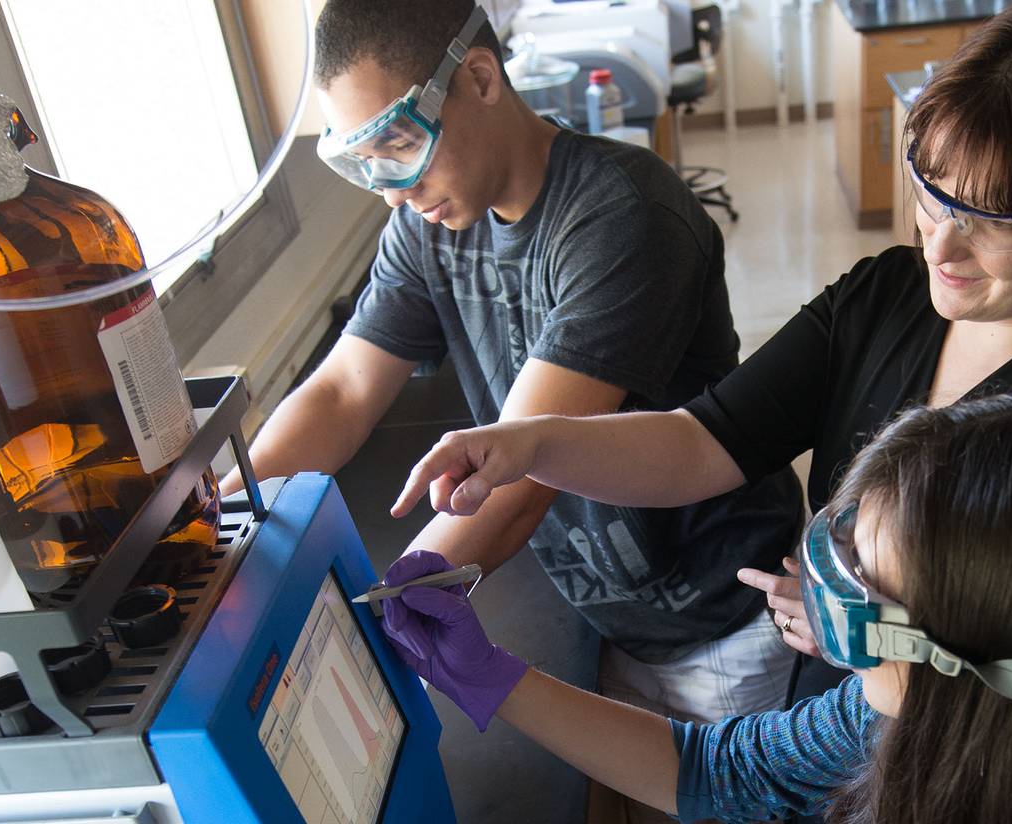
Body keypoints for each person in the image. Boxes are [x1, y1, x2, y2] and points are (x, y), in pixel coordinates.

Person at [390, 0, 1012, 687]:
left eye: (993, 222)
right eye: (932, 195)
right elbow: (702, 442)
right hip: (840, 714)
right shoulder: (889, 295)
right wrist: (532, 443)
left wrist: (882, 643)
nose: (939, 247)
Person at [224, 0, 805, 730]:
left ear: (478, 77)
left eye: (401, 144)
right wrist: (223, 517)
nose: (394, 188)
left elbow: (525, 473)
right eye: (361, 163)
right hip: (615, 615)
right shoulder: (426, 224)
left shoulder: (622, 214)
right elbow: (342, 391)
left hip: (724, 621)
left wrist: (386, 613)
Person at [378, 394, 1012, 822]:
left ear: (967, 645)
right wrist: (494, 678)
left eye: (867, 582)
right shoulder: (913, 708)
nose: (829, 585)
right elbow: (720, 770)